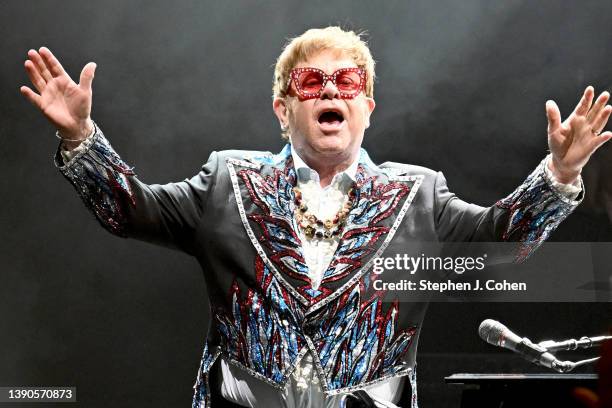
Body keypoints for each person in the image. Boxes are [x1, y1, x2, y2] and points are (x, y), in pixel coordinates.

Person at [20, 27, 611, 408]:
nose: (331, 89)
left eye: (347, 81)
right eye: (312, 81)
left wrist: (558, 175)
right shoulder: (228, 179)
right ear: (284, 109)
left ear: (367, 108)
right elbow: (131, 211)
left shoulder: (419, 194)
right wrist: (81, 139)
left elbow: (500, 245)